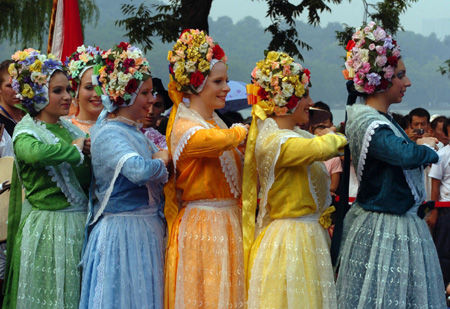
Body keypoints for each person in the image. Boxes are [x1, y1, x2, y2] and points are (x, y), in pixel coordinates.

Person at [336, 22, 446, 307]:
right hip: (383, 227)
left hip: (397, 224)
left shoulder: (380, 119)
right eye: (400, 75)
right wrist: (426, 149)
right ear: (380, 80)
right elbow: (401, 154)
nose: (407, 83)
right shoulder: (366, 120)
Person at [242, 51, 347, 308]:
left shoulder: (296, 134)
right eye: (306, 95)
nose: (310, 102)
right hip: (290, 239)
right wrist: (346, 133)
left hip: (307, 235)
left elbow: (318, 146)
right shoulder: (274, 141)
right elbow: (321, 149)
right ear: (288, 99)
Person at [79, 42, 169, 309]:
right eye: (145, 93)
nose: (152, 100)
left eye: (151, 92)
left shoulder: (133, 131)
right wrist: (162, 159)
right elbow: (139, 171)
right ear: (125, 95)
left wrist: (160, 158)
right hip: (122, 233)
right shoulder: (109, 132)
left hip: (144, 230)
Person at [164, 29, 248, 308]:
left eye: (225, 80)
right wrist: (241, 133)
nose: (226, 87)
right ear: (195, 84)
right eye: (218, 81)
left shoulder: (215, 122)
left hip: (227, 222)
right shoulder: (186, 127)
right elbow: (209, 142)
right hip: (203, 226)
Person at [3, 48, 91, 308]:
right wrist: (74, 150)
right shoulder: (26, 129)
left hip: (79, 229)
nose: (67, 96)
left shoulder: (71, 128)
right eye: (57, 91)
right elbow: (32, 154)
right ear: (38, 94)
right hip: (46, 233)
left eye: (67, 90)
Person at [427, 117, 450, 288]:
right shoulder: (441, 155)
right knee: (444, 252)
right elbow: (435, 185)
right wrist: (434, 211)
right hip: (446, 210)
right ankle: (442, 290)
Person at [65, 45, 105, 133]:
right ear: (76, 92)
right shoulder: (66, 129)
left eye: (101, 86)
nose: (97, 94)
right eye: (89, 87)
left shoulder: (119, 128)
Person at [140, 77, 169, 149]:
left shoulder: (169, 137)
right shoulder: (125, 134)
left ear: (163, 109)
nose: (151, 111)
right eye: (147, 104)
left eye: (157, 106)